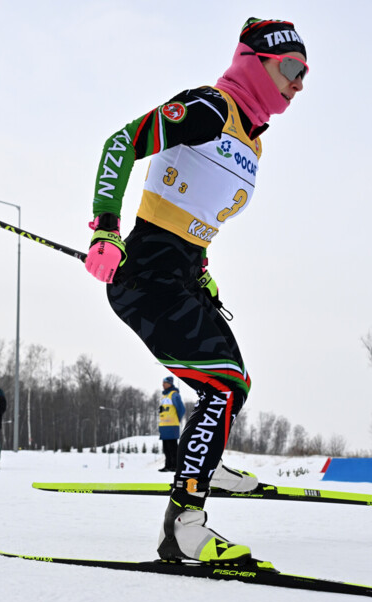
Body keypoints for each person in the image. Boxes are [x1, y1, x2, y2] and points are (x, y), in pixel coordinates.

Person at [83, 17, 307, 564]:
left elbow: (198, 214)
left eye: (306, 74)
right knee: (222, 386)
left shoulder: (252, 140)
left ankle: (203, 461)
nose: (299, 84)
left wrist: (202, 267)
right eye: (292, 68)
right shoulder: (210, 107)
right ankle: (183, 527)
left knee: (237, 384)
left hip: (182, 274)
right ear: (257, 63)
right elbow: (121, 144)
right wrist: (107, 228)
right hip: (146, 276)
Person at [157, 376, 186, 472]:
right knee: (166, 448)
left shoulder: (174, 395)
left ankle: (175, 466)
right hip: (164, 427)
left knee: (173, 447)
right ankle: (168, 466)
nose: (163, 384)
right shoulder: (164, 396)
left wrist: (177, 419)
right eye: (163, 383)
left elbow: (181, 409)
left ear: (170, 383)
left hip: (172, 425)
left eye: (165, 383)